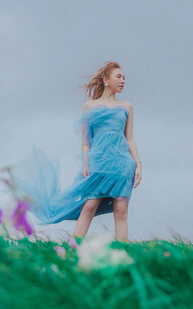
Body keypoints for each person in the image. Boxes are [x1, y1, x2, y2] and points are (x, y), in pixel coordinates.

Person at [9, 61, 142, 242]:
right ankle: (73, 248)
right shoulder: (90, 106)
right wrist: (86, 164)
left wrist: (138, 165)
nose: (123, 81)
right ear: (105, 79)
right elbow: (85, 142)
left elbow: (130, 138)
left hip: (122, 163)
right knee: (88, 207)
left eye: (124, 78)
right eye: (118, 76)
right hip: (99, 162)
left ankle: (123, 252)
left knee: (121, 211)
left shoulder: (127, 106)